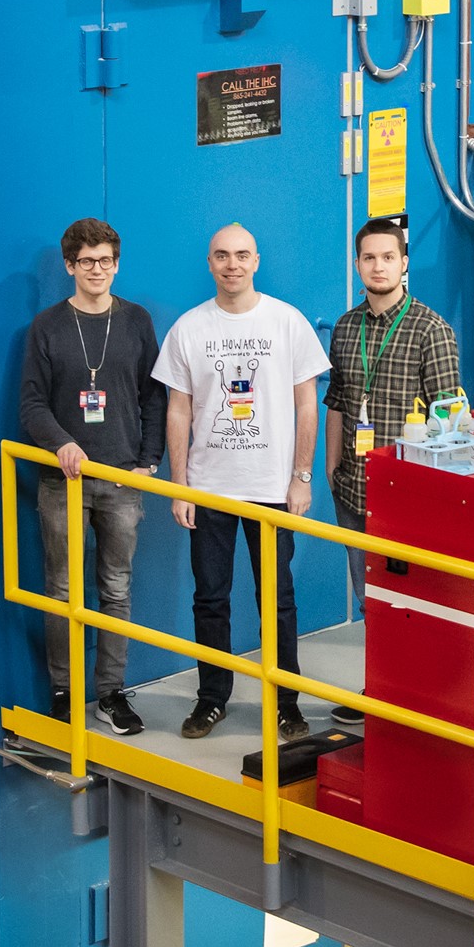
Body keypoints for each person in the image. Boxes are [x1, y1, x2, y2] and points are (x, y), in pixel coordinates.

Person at [155, 223, 329, 741]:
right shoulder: (189, 328)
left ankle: (286, 704)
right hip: (209, 489)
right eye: (222, 256)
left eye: (242, 255)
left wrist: (301, 478)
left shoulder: (287, 322)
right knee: (210, 597)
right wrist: (181, 483)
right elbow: (178, 410)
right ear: (210, 264)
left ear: (257, 261)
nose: (232, 264)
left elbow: (306, 405)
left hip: (272, 489)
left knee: (277, 599)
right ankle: (212, 699)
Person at [17, 218, 163, 734]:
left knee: (116, 590)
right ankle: (64, 690)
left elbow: (153, 395)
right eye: (85, 262)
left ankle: (110, 693)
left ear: (116, 264)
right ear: (69, 267)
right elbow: (32, 404)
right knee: (61, 590)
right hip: (64, 481)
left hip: (123, 478)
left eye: (104, 261)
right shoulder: (48, 326)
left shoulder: (137, 321)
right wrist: (62, 443)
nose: (96, 270)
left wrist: (149, 461)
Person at [322, 219, 462, 724]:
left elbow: (451, 422)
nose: (377, 267)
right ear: (357, 264)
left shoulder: (431, 330)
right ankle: (379, 692)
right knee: (372, 602)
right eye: (368, 258)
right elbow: (336, 403)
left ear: (404, 263)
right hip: (353, 490)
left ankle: (421, 697)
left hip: (408, 499)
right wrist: (332, 469)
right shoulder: (345, 327)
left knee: (414, 601)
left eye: (388, 257)